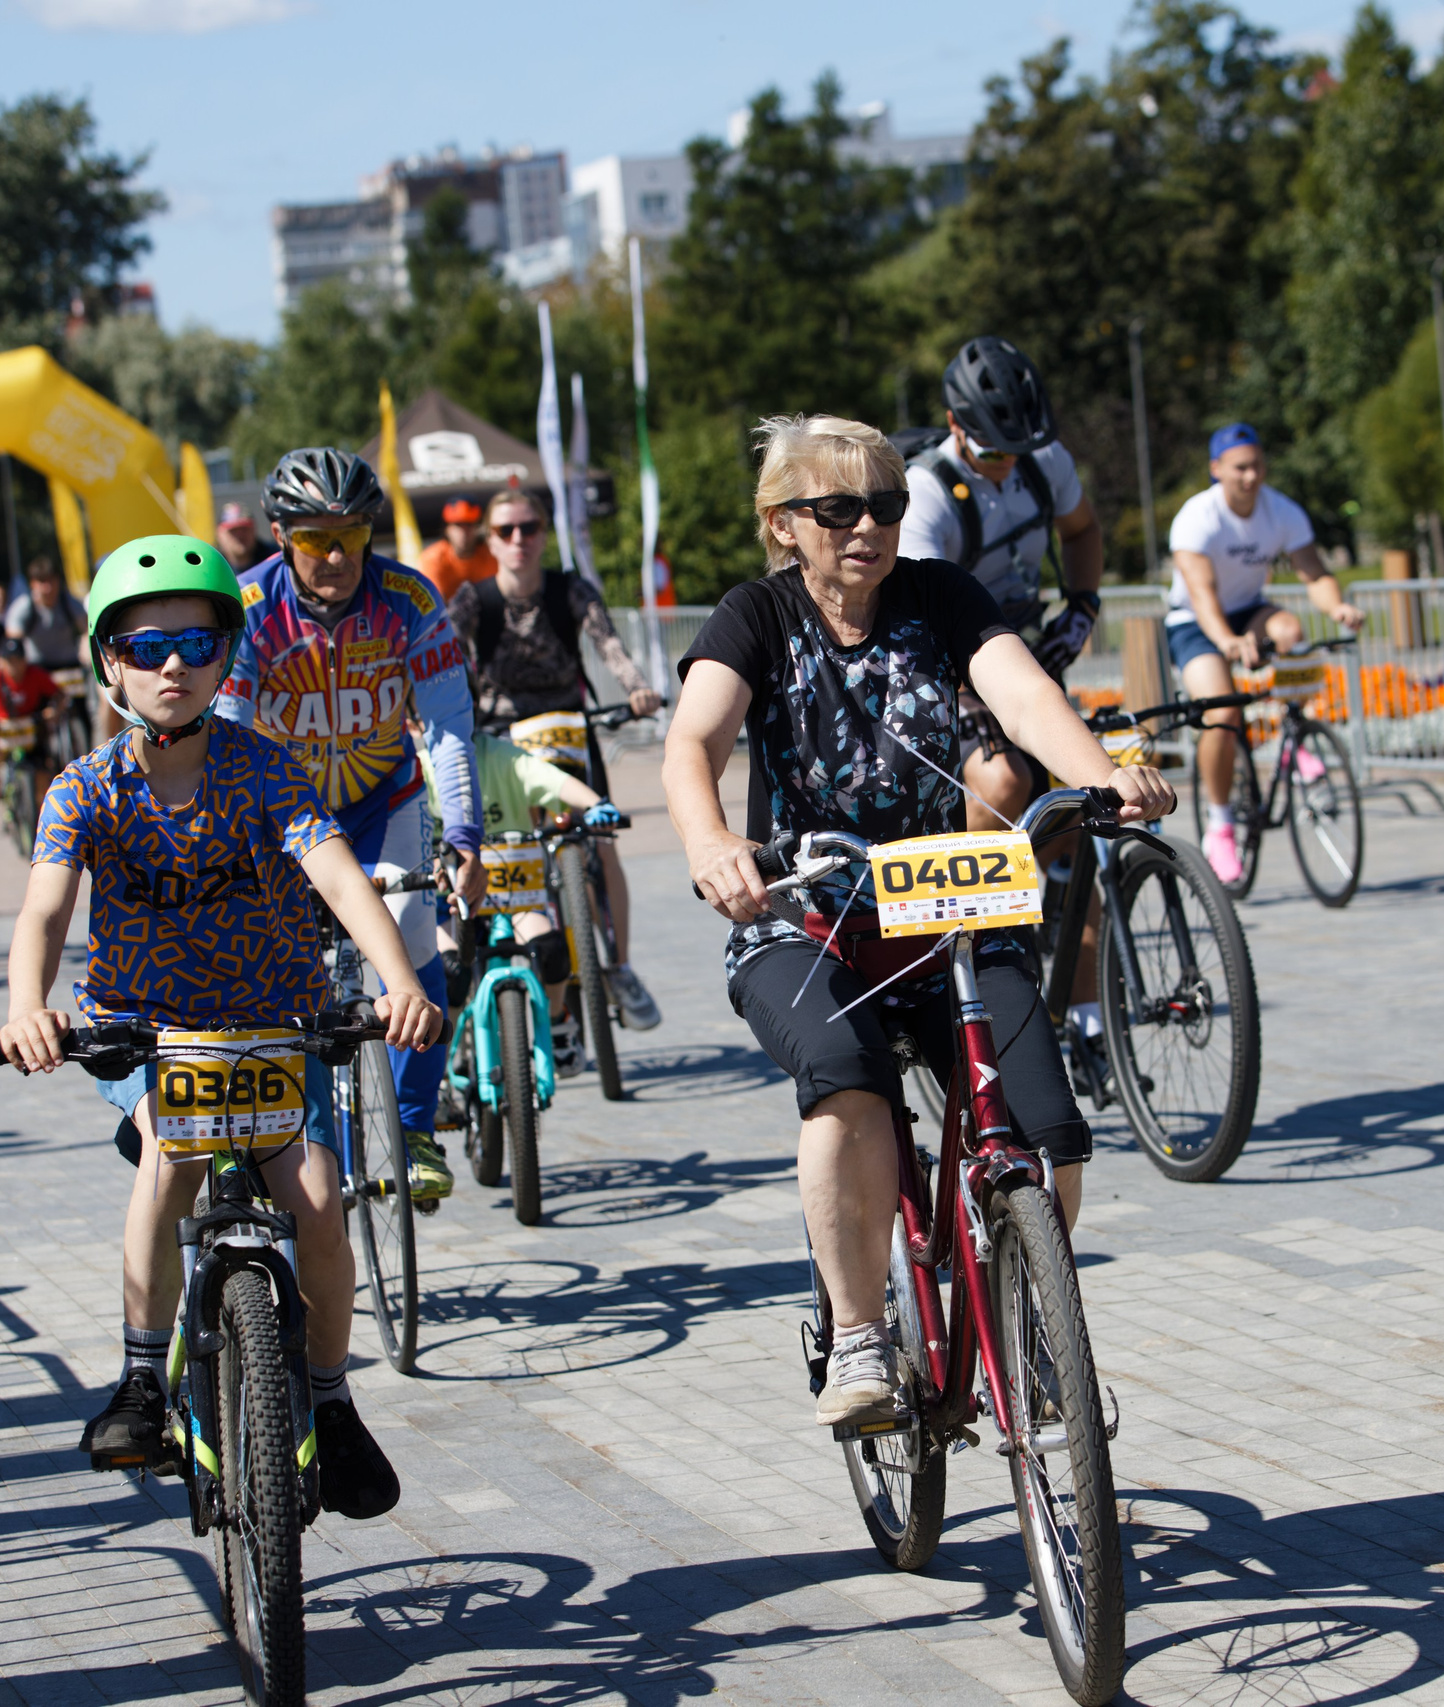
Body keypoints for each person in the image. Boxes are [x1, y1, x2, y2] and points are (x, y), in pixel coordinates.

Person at [665, 415, 1174, 1426]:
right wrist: (712, 842)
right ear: (783, 523)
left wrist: (1102, 777)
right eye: (837, 508)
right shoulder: (753, 616)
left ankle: (1028, 1322)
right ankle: (860, 1333)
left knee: (1050, 1137)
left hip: (944, 910)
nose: (867, 527)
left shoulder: (940, 595)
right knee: (846, 1084)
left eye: (887, 505)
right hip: (803, 919)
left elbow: (1024, 698)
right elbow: (693, 741)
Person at [0, 534, 440, 1516]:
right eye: (146, 646)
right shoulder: (82, 788)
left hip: (273, 1024)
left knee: (316, 1201)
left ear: (226, 658)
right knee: (171, 1153)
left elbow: (339, 877)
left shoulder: (266, 768)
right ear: (108, 663)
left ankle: (331, 1397)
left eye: (197, 644)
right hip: (146, 1030)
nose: (173, 665)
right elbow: (43, 912)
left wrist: (401, 981)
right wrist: (28, 1006)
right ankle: (141, 1378)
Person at [217, 448, 484, 1195]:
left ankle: (414, 1125)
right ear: (280, 536)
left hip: (383, 801)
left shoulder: (409, 599)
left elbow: (448, 728)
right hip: (283, 817)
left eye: (352, 536)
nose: (336, 556)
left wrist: (464, 837)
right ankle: (250, 1132)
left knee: (411, 938)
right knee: (256, 970)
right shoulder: (246, 607)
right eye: (315, 539)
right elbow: (225, 737)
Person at [446, 488, 664, 1034]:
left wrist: (637, 688)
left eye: (530, 527)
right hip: (502, 737)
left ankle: (619, 966)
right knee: (507, 842)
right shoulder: (474, 599)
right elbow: (445, 655)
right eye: (505, 530)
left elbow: (608, 644)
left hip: (569, 731)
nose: (519, 538)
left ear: (544, 533)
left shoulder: (570, 588)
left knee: (601, 839)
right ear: (489, 540)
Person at [898, 336, 1108, 832]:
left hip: (1022, 640)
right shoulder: (925, 494)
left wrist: (1082, 609)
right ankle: (946, 883)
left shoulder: (1046, 461)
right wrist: (970, 691)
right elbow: (922, 616)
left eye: (1020, 447)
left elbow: (1082, 530)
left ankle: (1063, 877)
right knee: (1005, 783)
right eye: (993, 448)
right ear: (956, 424)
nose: (1009, 460)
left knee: (1079, 801)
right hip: (946, 653)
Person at [1166, 423, 1367, 883]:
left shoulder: (1281, 511)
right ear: (1217, 469)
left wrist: (1336, 607)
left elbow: (1312, 571)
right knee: (1222, 711)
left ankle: (1294, 736)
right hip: (1194, 620)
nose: (1251, 476)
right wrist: (1226, 642)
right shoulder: (1198, 517)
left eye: (1257, 465)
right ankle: (1220, 823)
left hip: (1248, 610)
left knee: (1290, 629)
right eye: (1240, 468)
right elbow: (1201, 592)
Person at [435, 731, 625, 1074]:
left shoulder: (501, 756)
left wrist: (595, 804)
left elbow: (553, 781)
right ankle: (437, 1071)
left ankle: (556, 1020)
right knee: (450, 974)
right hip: (448, 903)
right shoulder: (421, 764)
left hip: (513, 896)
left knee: (551, 950)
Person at [0, 636, 62, 808]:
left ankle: (43, 806)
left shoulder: (37, 675)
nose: (14, 666)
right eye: (9, 661)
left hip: (30, 728)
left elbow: (59, 694)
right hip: (4, 729)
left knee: (42, 768)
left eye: (18, 660)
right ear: (1, 662)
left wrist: (54, 710)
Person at [4, 556, 86, 671]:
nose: (48, 588)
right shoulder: (22, 607)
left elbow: (89, 630)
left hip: (70, 665)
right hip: (37, 668)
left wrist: (86, 650)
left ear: (58, 581)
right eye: (42, 582)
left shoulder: (69, 602)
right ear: (32, 584)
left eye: (51, 581)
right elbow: (13, 642)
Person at [417, 498, 495, 604]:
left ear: (478, 528)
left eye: (469, 525)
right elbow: (434, 604)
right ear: (447, 529)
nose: (464, 532)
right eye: (458, 525)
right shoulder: (432, 558)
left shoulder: (491, 554)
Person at [214, 502, 262, 572]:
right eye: (233, 531)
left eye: (244, 529)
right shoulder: (211, 563)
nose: (240, 535)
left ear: (254, 529)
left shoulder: (272, 558)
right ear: (219, 534)